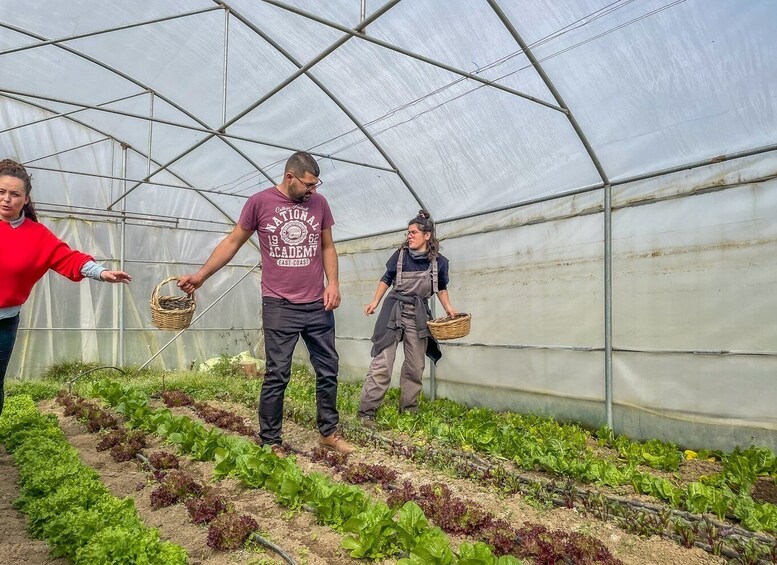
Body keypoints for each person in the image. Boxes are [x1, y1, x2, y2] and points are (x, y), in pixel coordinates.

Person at [177, 151, 355, 454]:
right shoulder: (259, 202)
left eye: (315, 185)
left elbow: (327, 246)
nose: (313, 190)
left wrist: (333, 283)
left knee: (328, 370)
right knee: (277, 374)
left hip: (316, 304)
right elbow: (233, 242)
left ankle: (328, 432)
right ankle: (270, 440)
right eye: (308, 185)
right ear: (290, 177)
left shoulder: (319, 204)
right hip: (279, 304)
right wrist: (201, 276)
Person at [0, 159, 132, 416]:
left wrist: (102, 272)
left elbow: (69, 258)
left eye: (15, 194)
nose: (6, 199)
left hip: (4, 324)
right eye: (1, 192)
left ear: (26, 199)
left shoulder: (36, 235)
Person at [357, 209, 457, 426]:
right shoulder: (400, 255)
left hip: (418, 314)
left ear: (427, 235)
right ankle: (367, 412)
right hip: (393, 309)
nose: (409, 236)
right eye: (408, 233)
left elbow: (441, 287)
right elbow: (387, 278)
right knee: (383, 362)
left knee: (415, 365)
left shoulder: (439, 262)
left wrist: (449, 308)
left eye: (413, 232)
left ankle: (408, 410)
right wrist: (375, 301)